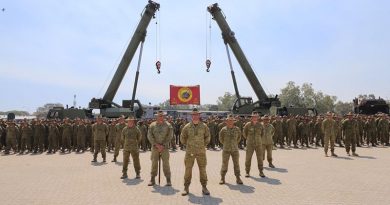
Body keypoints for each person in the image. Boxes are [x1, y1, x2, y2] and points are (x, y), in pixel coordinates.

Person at [180, 108, 211, 196]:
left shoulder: (204, 126)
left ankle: (204, 187)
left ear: (199, 115)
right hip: (190, 153)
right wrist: (188, 145)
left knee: (203, 170)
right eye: (193, 115)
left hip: (201, 152)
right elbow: (182, 138)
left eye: (196, 115)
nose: (195, 116)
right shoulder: (187, 127)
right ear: (191, 116)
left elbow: (208, 137)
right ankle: (186, 188)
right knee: (188, 170)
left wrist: (203, 145)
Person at [147, 111, 173, 186]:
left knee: (166, 163)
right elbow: (149, 136)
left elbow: (170, 136)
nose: (161, 117)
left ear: (164, 116)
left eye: (162, 116)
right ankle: (152, 179)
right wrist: (156, 145)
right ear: (157, 117)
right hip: (155, 148)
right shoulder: (152, 125)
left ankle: (168, 179)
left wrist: (163, 145)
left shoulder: (168, 125)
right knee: (154, 162)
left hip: (165, 148)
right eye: (159, 116)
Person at [219, 114, 243, 185]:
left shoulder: (237, 129)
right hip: (226, 150)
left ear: (233, 121)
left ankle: (238, 178)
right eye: (229, 120)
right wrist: (226, 144)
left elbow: (239, 138)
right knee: (224, 164)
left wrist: (234, 143)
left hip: (235, 150)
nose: (230, 122)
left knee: (236, 164)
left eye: (232, 120)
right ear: (226, 121)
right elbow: (221, 139)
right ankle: (222, 178)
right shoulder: (223, 130)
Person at [243, 112, 265, 177]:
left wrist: (259, 139)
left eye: (256, 117)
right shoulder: (248, 125)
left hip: (258, 144)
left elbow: (262, 134)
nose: (255, 118)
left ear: (258, 118)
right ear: (252, 117)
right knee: (248, 158)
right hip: (250, 144)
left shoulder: (260, 125)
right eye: (254, 117)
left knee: (260, 158)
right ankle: (247, 172)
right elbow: (244, 133)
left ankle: (261, 171)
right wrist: (248, 139)